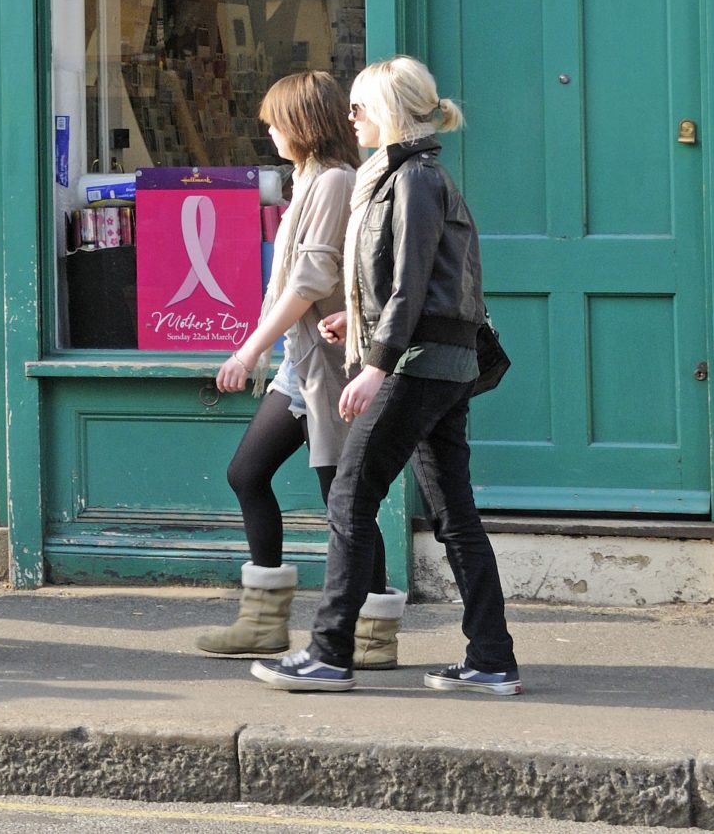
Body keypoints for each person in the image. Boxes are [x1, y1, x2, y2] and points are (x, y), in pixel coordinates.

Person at [253, 56, 521, 696]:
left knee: (349, 497)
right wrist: (356, 321)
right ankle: (491, 659)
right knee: (454, 514)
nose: (351, 118)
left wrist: (375, 364)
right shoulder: (401, 175)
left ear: (391, 112)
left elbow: (410, 284)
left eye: (360, 106)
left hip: (419, 366)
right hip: (436, 362)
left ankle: (329, 653)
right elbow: (404, 286)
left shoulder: (414, 181)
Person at [196, 72, 401, 664]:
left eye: (275, 119)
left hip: (329, 368)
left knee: (344, 497)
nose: (267, 129)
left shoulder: (334, 180)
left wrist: (248, 350)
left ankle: (371, 633)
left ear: (305, 123)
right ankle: (264, 620)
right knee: (248, 472)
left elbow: (310, 283)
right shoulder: (309, 178)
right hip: (303, 365)